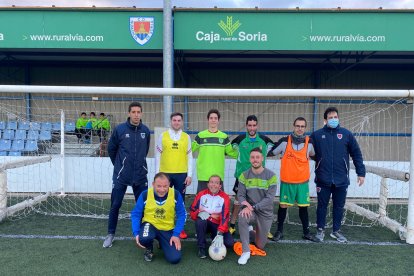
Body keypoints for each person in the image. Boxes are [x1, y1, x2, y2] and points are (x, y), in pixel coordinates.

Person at [310, 107, 366, 243]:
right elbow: (309, 152)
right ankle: (320, 230)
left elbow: (356, 154)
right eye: (330, 117)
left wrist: (361, 172)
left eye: (335, 117)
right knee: (321, 206)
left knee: (339, 206)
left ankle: (336, 231)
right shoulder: (316, 135)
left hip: (341, 179)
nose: (333, 119)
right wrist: (319, 161)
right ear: (325, 120)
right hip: (323, 178)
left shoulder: (346, 134)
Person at [103, 102, 151, 248]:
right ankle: (110, 234)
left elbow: (145, 150)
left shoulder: (146, 131)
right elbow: (111, 150)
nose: (136, 115)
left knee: (143, 206)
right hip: (121, 176)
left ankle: (144, 235)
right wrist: (120, 166)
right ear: (129, 113)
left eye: (138, 112)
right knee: (115, 205)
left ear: (141, 114)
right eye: (133, 112)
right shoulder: (120, 129)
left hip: (140, 175)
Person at [268, 117, 315, 242]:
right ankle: (279, 231)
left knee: (303, 208)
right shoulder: (284, 142)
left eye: (302, 126)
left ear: (305, 128)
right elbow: (271, 152)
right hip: (287, 181)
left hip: (302, 182)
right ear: (293, 126)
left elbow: (314, 155)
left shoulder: (310, 142)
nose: (300, 128)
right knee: (283, 206)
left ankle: (306, 232)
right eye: (298, 126)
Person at [229, 115, 274, 235]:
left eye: (254, 125)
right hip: (242, 177)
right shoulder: (239, 140)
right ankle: (232, 225)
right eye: (250, 125)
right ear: (246, 126)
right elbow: (228, 149)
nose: (252, 127)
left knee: (261, 202)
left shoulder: (265, 140)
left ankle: (265, 229)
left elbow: (274, 150)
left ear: (257, 126)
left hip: (259, 177)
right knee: (239, 201)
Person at [131, 172, 186, 264]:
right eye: (159, 186)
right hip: (150, 224)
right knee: (144, 238)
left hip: (167, 228)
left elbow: (182, 215)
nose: (162, 189)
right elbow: (136, 214)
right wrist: (136, 232)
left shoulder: (175, 194)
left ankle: (161, 241)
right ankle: (149, 248)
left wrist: (176, 234)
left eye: (165, 186)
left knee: (174, 258)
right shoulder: (145, 194)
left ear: (169, 185)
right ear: (153, 184)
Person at [155, 112, 193, 239]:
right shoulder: (163, 136)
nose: (176, 122)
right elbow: (157, 156)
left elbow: (190, 157)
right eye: (174, 120)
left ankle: (180, 228)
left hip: (181, 174)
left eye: (179, 120)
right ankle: (164, 226)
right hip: (165, 174)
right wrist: (157, 175)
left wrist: (190, 175)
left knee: (179, 201)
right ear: (170, 122)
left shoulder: (186, 137)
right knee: (163, 199)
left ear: (182, 122)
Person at [237, 147, 277, 265]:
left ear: (262, 158)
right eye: (253, 157)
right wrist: (245, 205)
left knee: (260, 245)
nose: (255, 160)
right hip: (250, 210)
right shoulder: (244, 175)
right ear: (250, 159)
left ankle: (251, 231)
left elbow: (269, 199)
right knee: (243, 216)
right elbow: (240, 195)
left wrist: (253, 207)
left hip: (264, 212)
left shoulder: (271, 176)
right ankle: (246, 252)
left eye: (257, 157)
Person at [192, 109, 238, 193]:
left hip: (218, 175)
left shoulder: (223, 136)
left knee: (219, 203)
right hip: (203, 175)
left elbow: (231, 152)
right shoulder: (200, 135)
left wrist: (244, 153)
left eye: (215, 118)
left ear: (218, 121)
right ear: (208, 120)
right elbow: (190, 149)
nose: (213, 120)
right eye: (211, 118)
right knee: (202, 201)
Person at [190, 175, 234, 259]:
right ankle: (201, 247)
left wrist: (220, 233)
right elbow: (192, 210)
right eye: (211, 182)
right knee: (200, 221)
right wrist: (198, 213)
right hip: (204, 222)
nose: (213, 185)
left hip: (216, 224)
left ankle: (214, 234)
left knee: (229, 243)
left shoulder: (224, 197)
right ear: (208, 184)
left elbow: (224, 217)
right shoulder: (201, 194)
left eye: (216, 183)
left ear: (220, 186)